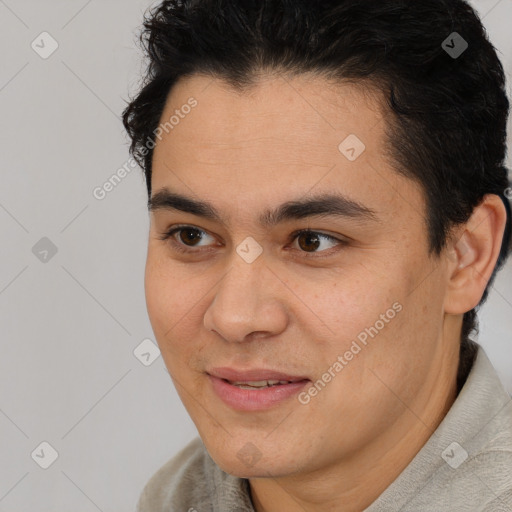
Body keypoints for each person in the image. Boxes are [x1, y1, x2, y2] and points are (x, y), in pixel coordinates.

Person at [122, 0, 512, 510]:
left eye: (313, 241)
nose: (234, 317)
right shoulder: (172, 498)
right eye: (192, 236)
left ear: (466, 254)